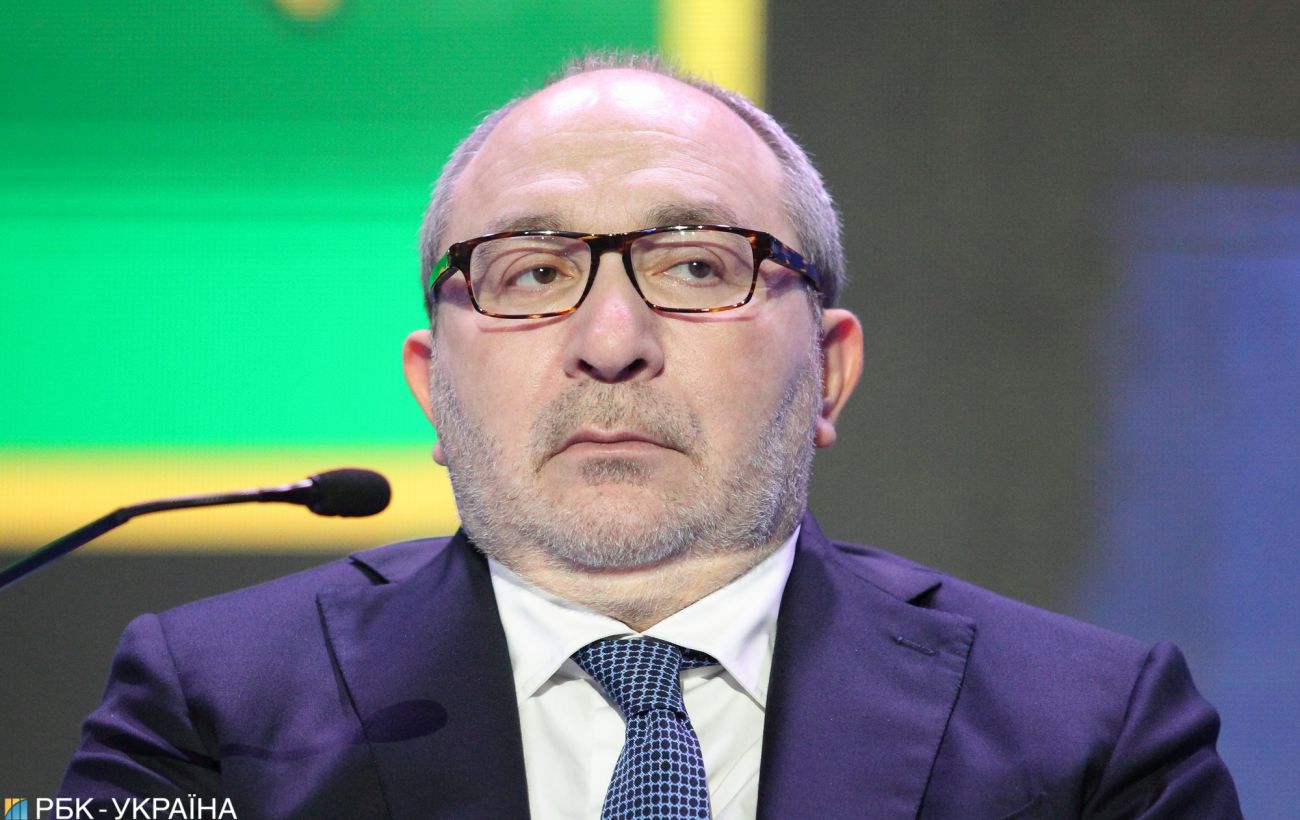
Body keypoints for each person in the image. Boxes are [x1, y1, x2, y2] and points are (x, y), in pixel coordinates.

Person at [61, 53, 1241, 818]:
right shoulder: (209, 711)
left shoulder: (1091, 737)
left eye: (695, 267)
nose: (611, 340)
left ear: (828, 369)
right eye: (531, 274)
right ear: (433, 389)